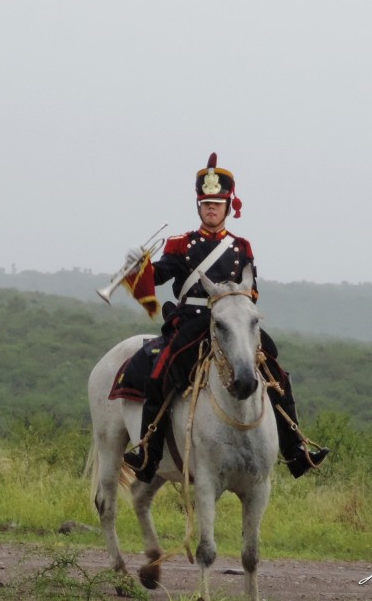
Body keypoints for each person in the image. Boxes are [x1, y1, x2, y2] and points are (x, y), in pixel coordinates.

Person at [120, 153, 329, 482]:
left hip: (234, 322)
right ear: (199, 206)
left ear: (229, 206)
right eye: (205, 204)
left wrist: (238, 310)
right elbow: (157, 277)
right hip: (192, 322)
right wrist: (139, 265)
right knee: (161, 370)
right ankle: (148, 451)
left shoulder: (241, 246)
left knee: (275, 368)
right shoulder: (182, 245)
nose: (211, 209)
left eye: (217, 203)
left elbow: (252, 291)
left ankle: (295, 448)